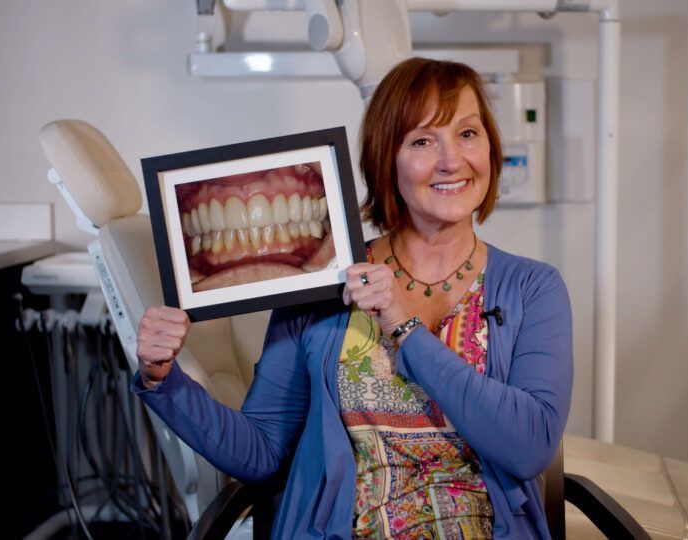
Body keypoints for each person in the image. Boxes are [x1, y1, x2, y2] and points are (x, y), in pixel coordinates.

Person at [133, 57, 573, 539]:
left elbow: (529, 448)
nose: (452, 160)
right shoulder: (322, 283)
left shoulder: (534, 288)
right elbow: (260, 452)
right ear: (387, 159)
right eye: (423, 141)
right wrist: (164, 381)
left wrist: (405, 327)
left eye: (468, 134)